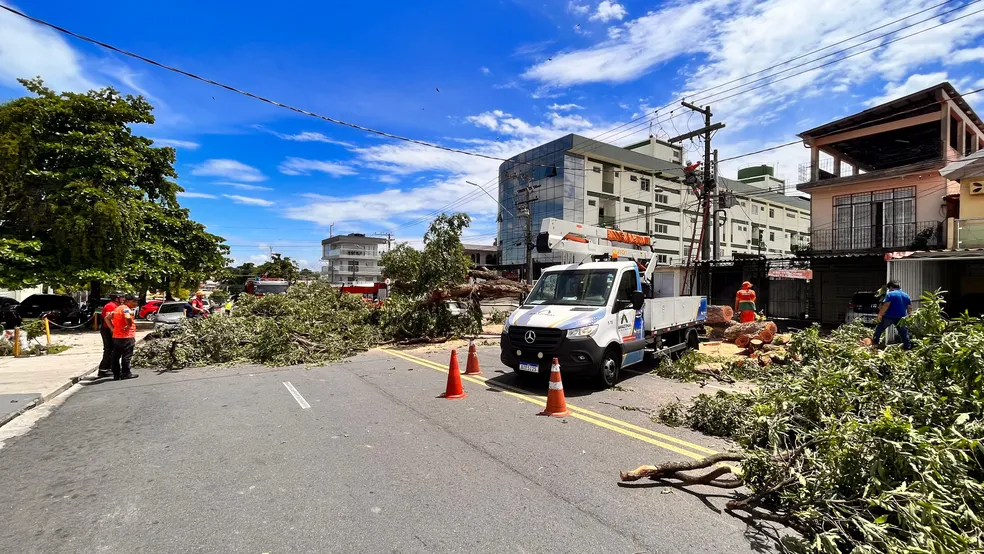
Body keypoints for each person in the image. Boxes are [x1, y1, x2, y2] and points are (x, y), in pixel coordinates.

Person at [873, 280, 913, 350]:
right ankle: (907, 348)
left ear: (891, 287)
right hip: (901, 317)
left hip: (889, 316)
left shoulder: (890, 294)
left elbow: (886, 305)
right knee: (904, 333)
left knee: (879, 329)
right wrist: (910, 316)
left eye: (888, 289)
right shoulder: (906, 295)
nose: (888, 290)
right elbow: (909, 308)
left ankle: (875, 345)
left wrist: (880, 315)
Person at [110, 295, 140, 380]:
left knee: (116, 356)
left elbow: (107, 317)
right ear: (128, 301)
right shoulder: (126, 309)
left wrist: (112, 328)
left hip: (116, 336)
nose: (136, 303)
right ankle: (126, 373)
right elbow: (127, 317)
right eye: (134, 301)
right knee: (126, 356)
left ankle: (116, 374)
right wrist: (129, 325)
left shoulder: (117, 309)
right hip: (126, 336)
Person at [97, 292, 125, 378]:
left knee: (114, 350)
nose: (124, 299)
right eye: (122, 297)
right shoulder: (110, 306)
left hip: (113, 330)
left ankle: (111, 367)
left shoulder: (116, 306)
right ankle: (103, 369)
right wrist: (113, 330)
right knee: (109, 349)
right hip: (108, 330)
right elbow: (109, 320)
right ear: (117, 298)